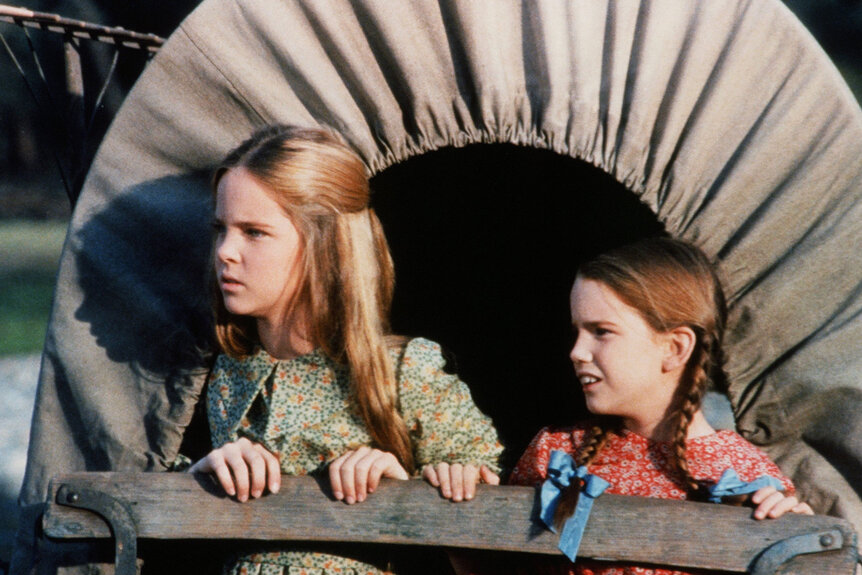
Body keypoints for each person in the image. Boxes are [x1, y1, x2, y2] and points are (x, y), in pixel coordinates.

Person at [187, 124, 502, 575]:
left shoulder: (402, 372)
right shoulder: (224, 375)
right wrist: (204, 476)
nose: (225, 251)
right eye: (221, 229)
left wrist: (407, 490)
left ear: (325, 245)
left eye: (254, 232)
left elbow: (486, 550)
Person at [504, 237, 812, 575]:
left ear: (676, 348)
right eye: (577, 331)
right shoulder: (558, 454)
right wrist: (456, 490)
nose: (577, 351)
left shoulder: (747, 478)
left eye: (601, 331)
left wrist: (793, 548)